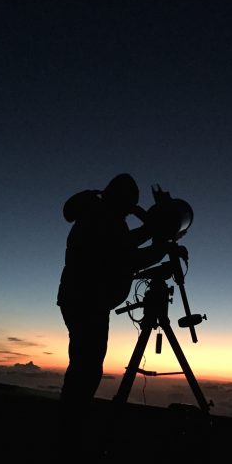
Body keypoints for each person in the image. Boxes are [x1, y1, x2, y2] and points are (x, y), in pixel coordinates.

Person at [57, 173, 170, 415]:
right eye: (128, 207)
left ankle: (71, 412)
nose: (129, 212)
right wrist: (160, 245)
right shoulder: (102, 218)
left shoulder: (101, 215)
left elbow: (123, 243)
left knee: (83, 362)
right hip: (88, 302)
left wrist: (151, 231)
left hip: (83, 300)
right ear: (121, 200)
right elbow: (127, 257)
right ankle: (71, 417)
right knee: (87, 366)